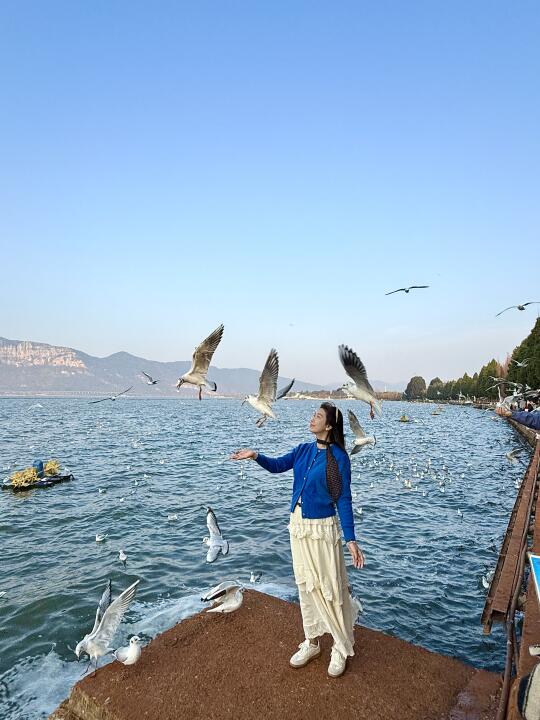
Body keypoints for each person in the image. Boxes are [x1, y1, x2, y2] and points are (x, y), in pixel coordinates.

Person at [230, 402, 364, 678]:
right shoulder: (303, 450)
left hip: (322, 529)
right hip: (299, 527)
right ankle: (312, 641)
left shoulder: (339, 457)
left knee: (330, 587)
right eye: (313, 414)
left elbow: (344, 499)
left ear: (329, 426)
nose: (312, 418)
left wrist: (350, 539)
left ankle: (340, 645)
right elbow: (279, 465)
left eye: (317, 416)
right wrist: (256, 455)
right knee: (306, 586)